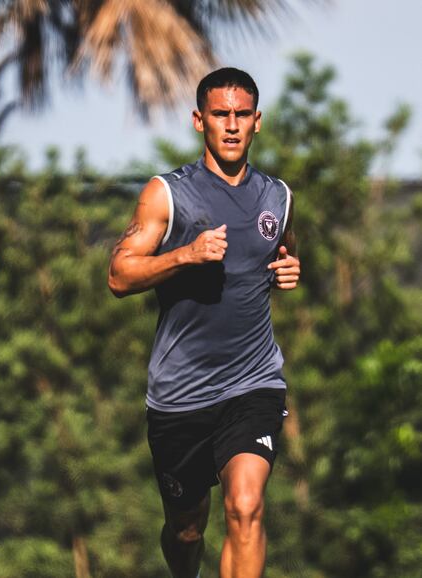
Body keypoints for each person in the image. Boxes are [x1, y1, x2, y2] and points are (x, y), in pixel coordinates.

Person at [108, 67, 300, 578]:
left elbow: (280, 248)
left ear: (257, 121)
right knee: (187, 530)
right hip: (180, 396)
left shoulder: (276, 197)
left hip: (253, 383)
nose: (232, 125)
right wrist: (184, 255)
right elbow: (119, 275)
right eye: (220, 114)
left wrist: (287, 269)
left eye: (242, 115)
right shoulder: (167, 195)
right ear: (199, 120)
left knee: (245, 506)